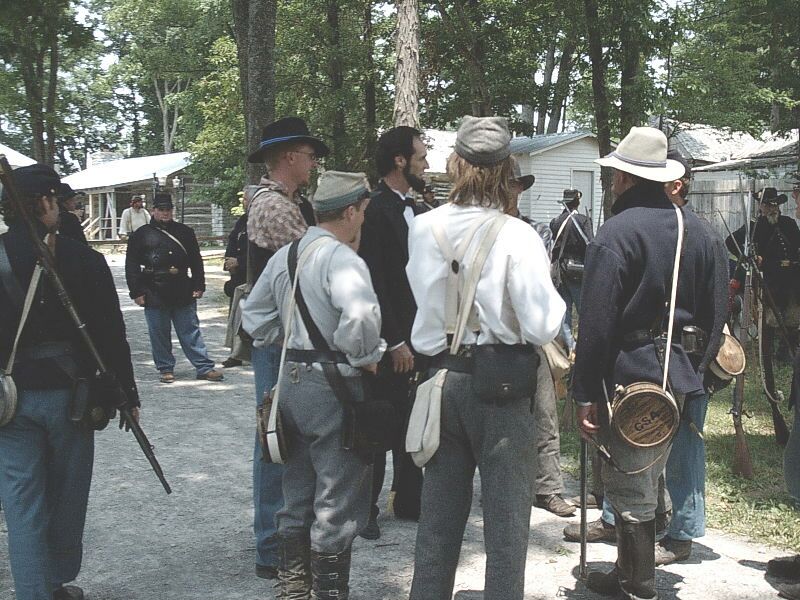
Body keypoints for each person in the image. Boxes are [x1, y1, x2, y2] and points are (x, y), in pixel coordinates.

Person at [406, 116, 565, 600]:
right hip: (501, 389)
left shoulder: (423, 227)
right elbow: (541, 326)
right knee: (506, 527)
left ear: (456, 163)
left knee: (437, 523)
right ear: (504, 169)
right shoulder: (518, 235)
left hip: (442, 381)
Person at [573, 127, 727, 600]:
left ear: (623, 177)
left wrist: (584, 391)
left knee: (632, 481)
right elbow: (718, 312)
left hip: (631, 375)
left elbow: (596, 323)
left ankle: (637, 586)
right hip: (680, 374)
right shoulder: (702, 232)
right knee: (647, 473)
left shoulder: (617, 232)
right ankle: (627, 571)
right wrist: (696, 371)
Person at [0, 164, 140, 600]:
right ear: (45, 203)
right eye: (57, 201)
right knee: (67, 495)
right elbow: (110, 334)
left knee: (21, 503)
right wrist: (127, 395)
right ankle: (56, 580)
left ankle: (33, 592)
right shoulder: (83, 259)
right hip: (71, 398)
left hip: (8, 399)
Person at [242, 170, 384, 599]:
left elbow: (254, 317)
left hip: (291, 382)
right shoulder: (342, 260)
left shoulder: (286, 256)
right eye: (362, 211)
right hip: (334, 384)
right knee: (337, 498)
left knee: (297, 491)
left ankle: (292, 588)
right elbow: (361, 319)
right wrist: (364, 356)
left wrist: (288, 339)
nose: (363, 219)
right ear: (350, 211)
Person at [245, 116, 328, 579]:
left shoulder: (294, 204)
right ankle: (273, 547)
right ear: (290, 156)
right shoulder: (275, 208)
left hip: (290, 339)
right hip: (279, 341)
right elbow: (316, 267)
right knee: (275, 437)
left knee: (289, 438)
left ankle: (284, 541)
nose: (313, 163)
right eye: (310, 155)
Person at [357, 125, 429, 539]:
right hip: (390, 339)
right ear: (400, 160)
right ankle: (364, 507)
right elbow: (376, 282)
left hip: (420, 335)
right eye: (421, 157)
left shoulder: (417, 210)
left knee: (414, 418)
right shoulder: (374, 210)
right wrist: (394, 340)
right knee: (379, 419)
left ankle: (409, 498)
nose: (426, 164)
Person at [509, 159, 574, 518]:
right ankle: (502, 487)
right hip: (489, 342)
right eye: (508, 183)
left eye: (517, 185)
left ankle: (548, 487)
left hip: (530, 337)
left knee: (545, 414)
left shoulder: (535, 231)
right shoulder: (477, 230)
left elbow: (543, 283)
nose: (512, 191)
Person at [125, 192, 223, 384]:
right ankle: (165, 368)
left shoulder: (185, 232)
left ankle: (204, 367)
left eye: (168, 209)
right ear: (153, 210)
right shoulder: (141, 234)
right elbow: (132, 265)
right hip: (154, 288)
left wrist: (199, 284)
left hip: (181, 287)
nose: (165, 213)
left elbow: (196, 260)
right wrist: (136, 291)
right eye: (161, 209)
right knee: (159, 332)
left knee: (190, 330)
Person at [550, 189, 593, 357]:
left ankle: (571, 346)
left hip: (560, 272)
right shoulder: (583, 220)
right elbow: (590, 245)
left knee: (564, 312)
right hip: (579, 270)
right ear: (577, 202)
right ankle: (583, 347)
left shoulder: (555, 222)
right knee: (585, 312)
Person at [221, 188, 253, 369]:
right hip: (238, 277)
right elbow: (233, 241)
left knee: (249, 316)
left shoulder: (260, 222)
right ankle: (236, 353)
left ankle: (251, 353)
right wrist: (229, 261)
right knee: (235, 316)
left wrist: (239, 261)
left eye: (247, 200)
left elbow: (259, 250)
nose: (244, 203)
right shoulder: (242, 220)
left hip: (252, 276)